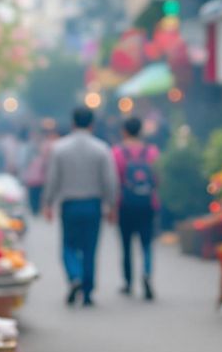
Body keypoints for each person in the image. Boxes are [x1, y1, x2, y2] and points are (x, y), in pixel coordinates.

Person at [42, 106, 119, 307]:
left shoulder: (59, 148)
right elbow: (110, 180)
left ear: (73, 123)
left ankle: (74, 275)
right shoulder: (102, 148)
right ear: (92, 124)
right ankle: (87, 291)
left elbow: (52, 179)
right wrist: (111, 205)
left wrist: (48, 203)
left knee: (68, 245)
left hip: (70, 205)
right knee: (90, 249)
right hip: (93, 205)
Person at [113, 116, 160, 300]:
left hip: (125, 204)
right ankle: (147, 274)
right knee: (147, 243)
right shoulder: (152, 152)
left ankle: (128, 281)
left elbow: (114, 179)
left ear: (124, 131)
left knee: (126, 245)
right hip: (148, 203)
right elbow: (157, 178)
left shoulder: (117, 152)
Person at [21, 124, 60, 217]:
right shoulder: (34, 146)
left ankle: (38, 208)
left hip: (41, 175)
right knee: (35, 192)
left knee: (39, 192)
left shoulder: (50, 145)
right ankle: (36, 208)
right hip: (35, 175)